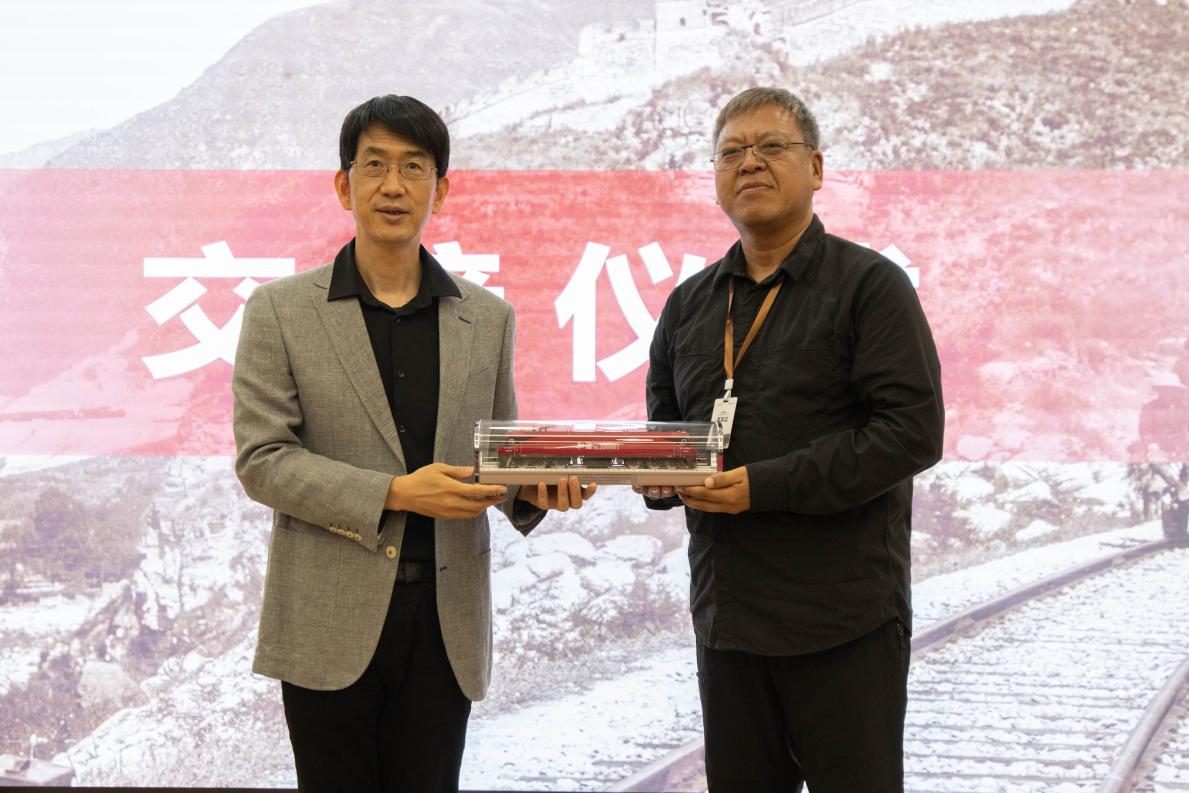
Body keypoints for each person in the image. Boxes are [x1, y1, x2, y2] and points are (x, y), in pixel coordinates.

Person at [232, 94, 594, 793]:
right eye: (374, 165)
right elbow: (263, 460)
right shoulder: (280, 311)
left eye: (413, 167)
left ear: (441, 188)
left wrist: (538, 490)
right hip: (326, 618)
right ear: (344, 185)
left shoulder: (486, 318)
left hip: (443, 622)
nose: (393, 185)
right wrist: (395, 493)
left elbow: (498, 454)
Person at [641, 87, 944, 792]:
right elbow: (668, 437)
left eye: (770, 146)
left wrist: (764, 485)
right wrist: (652, 478)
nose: (749, 163)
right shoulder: (688, 304)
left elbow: (911, 432)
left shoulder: (870, 285)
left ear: (815, 167)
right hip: (728, 620)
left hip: (844, 621)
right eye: (730, 152)